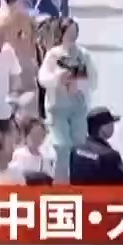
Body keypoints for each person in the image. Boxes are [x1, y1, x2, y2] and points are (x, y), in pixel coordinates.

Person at [38, 16, 96, 182]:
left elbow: (93, 79)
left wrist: (79, 84)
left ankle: (77, 182)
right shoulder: (53, 55)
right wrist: (57, 79)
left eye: (74, 32)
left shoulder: (83, 54)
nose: (72, 35)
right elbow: (43, 78)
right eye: (68, 32)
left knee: (79, 147)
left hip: (78, 106)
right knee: (62, 146)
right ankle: (60, 184)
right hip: (58, 108)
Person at [68, 107, 123, 185]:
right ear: (102, 128)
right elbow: (120, 187)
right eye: (110, 123)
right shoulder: (110, 156)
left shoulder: (75, 149)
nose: (113, 126)